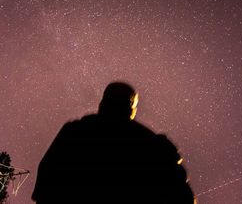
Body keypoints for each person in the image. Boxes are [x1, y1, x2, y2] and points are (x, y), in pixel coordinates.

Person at [32, 82, 196, 203]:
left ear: (102, 103)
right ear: (131, 107)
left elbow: (46, 178)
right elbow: (182, 195)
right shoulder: (154, 145)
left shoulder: (74, 132)